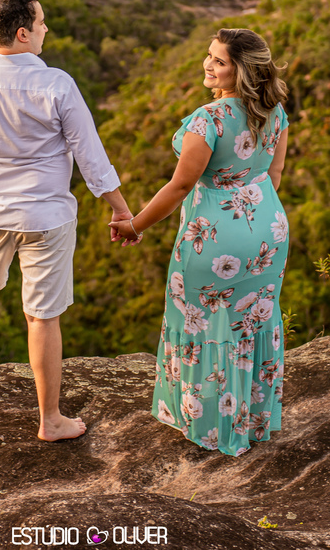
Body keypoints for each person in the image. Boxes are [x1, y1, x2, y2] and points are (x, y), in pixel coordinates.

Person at [0, 0, 138, 442]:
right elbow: (91, 158)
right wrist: (122, 213)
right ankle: (50, 420)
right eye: (43, 22)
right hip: (46, 218)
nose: (47, 29)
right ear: (24, 33)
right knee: (42, 316)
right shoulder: (56, 84)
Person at [110, 28, 290, 456]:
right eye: (209, 56)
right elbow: (275, 175)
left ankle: (210, 427)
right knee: (251, 324)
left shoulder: (207, 121)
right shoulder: (276, 112)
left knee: (201, 324)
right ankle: (251, 422)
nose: (208, 66)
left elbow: (179, 187)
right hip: (268, 227)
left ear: (241, 71)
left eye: (220, 61)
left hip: (213, 238)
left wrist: (135, 225)